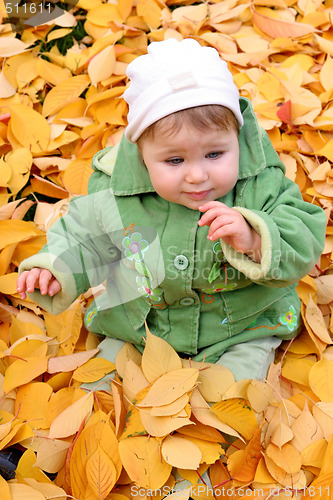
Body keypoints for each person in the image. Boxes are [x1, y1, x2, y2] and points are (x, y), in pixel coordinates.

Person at [17, 38, 326, 382]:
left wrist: (254, 236)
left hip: (240, 324)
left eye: (214, 154)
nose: (197, 174)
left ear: (236, 140)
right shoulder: (116, 191)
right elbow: (85, 236)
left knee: (231, 393)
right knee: (101, 384)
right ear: (141, 155)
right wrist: (55, 269)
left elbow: (303, 232)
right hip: (139, 323)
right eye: (175, 160)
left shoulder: (259, 183)